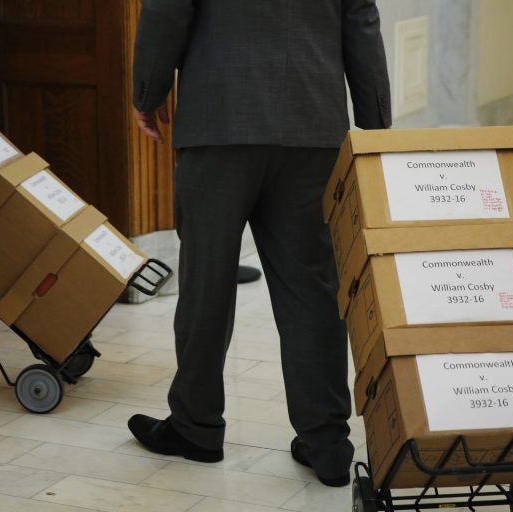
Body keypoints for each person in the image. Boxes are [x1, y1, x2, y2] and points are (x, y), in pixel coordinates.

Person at [127, 0, 391, 487]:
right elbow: (361, 18)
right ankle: (327, 442)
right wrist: (376, 122)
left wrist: (149, 89)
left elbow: (168, 9)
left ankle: (196, 427)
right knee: (312, 288)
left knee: (207, 282)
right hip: (313, 125)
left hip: (218, 118)